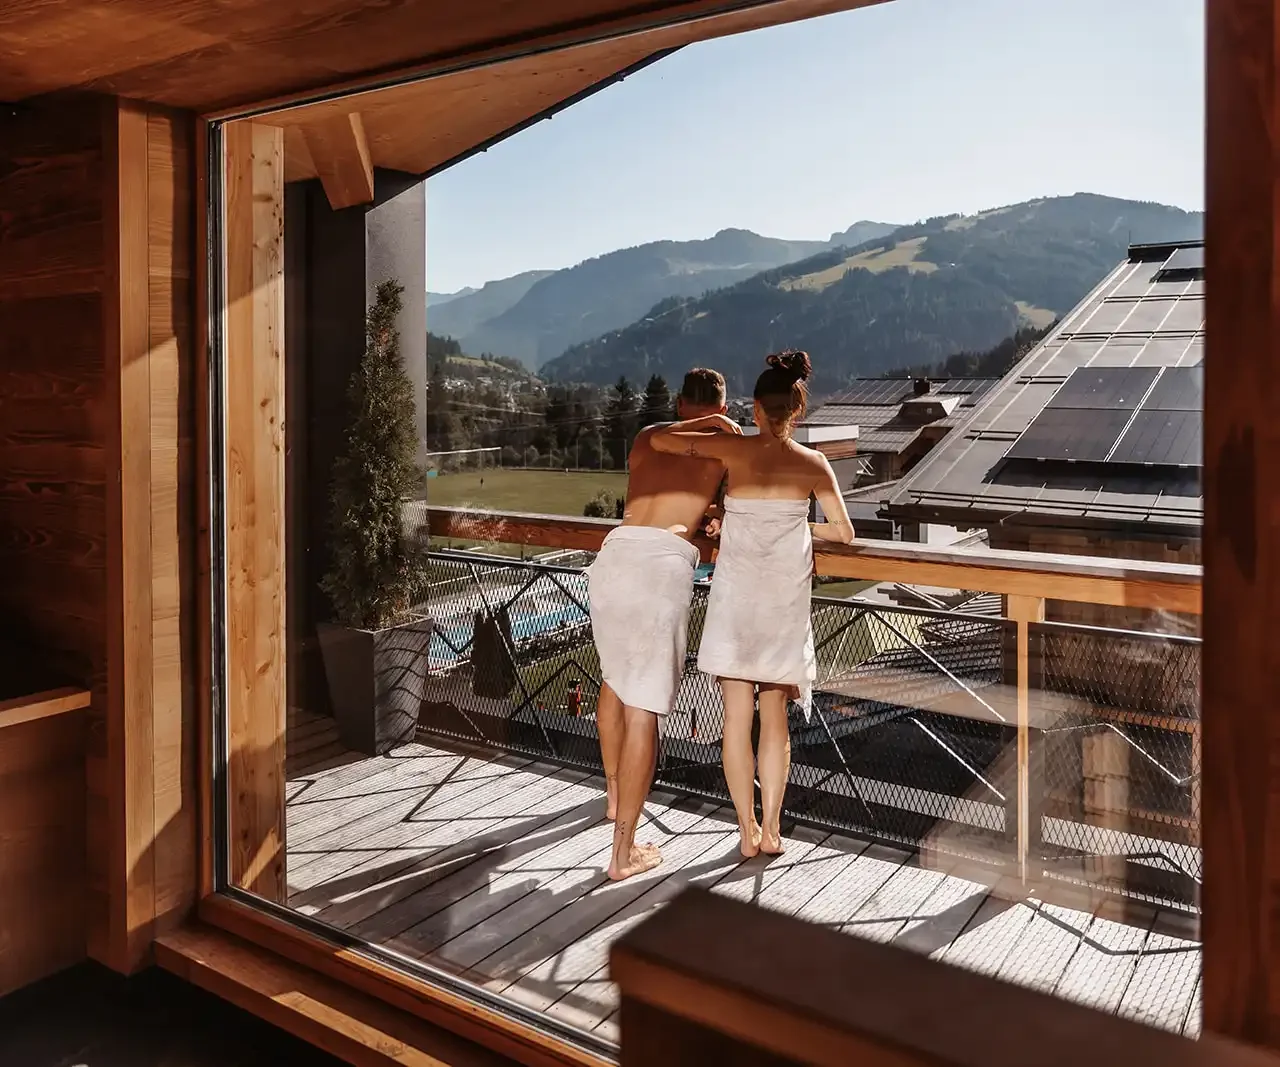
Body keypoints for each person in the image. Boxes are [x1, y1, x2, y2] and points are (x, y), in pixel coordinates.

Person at [649, 350, 855, 858]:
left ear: (757, 410)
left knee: (735, 721)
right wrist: (796, 526)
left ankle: (743, 830)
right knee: (775, 720)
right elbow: (845, 533)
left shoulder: (733, 452)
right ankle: (772, 829)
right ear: (798, 411)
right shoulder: (814, 464)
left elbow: (658, 439)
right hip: (782, 606)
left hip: (737, 603)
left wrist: (720, 424)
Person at [588, 367, 740, 881]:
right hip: (659, 568)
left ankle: (614, 800)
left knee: (614, 684)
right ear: (721, 404)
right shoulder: (725, 448)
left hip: (614, 556)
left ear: (678, 403)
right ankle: (622, 853)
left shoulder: (648, 436)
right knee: (644, 712)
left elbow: (675, 468)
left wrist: (710, 509)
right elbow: (733, 507)